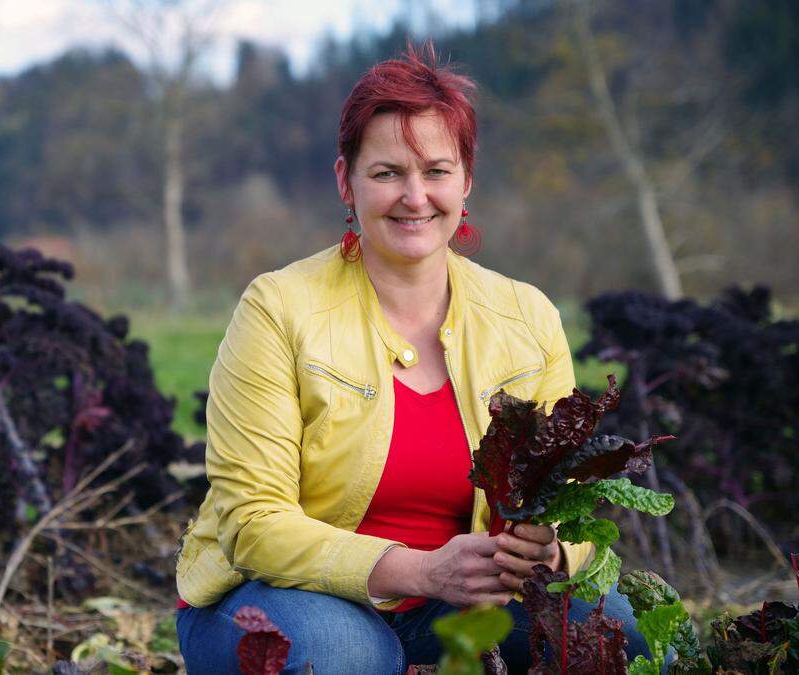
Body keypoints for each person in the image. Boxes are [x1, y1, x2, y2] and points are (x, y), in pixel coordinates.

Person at [173, 43, 653, 673]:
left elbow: (569, 507)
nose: (414, 196)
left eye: (435, 170)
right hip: (274, 597)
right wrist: (422, 569)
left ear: (466, 180)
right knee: (349, 654)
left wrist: (553, 552)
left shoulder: (527, 317)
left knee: (617, 632)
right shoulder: (278, 308)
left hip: (462, 603)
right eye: (387, 173)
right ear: (346, 180)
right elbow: (252, 525)